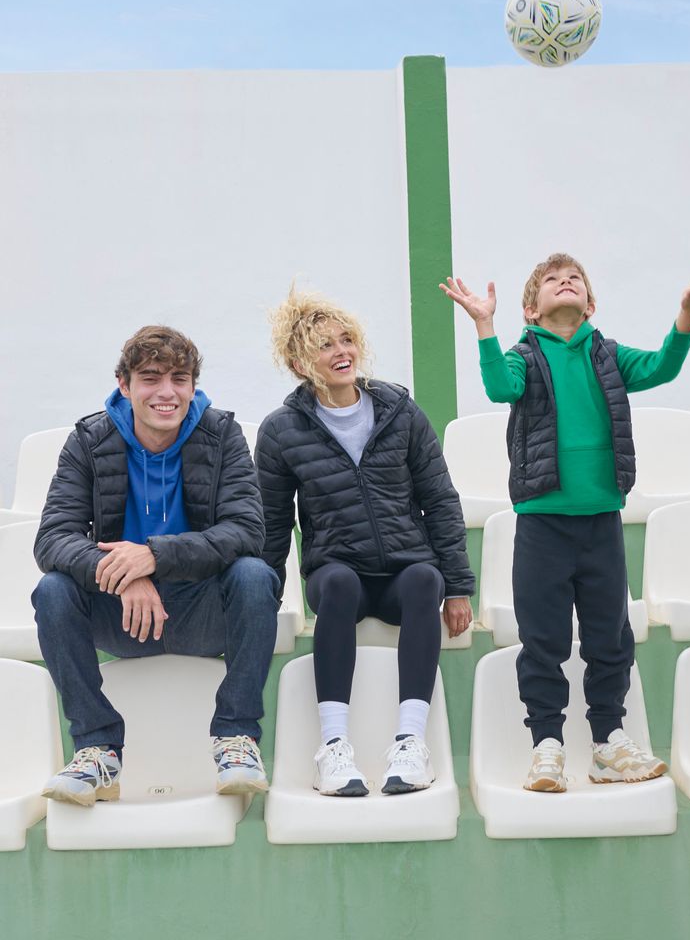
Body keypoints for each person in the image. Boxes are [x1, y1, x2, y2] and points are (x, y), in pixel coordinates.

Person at [441, 254, 690, 792]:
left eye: (574, 279)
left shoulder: (608, 356)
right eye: (552, 280)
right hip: (542, 525)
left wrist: (685, 315)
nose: (565, 282)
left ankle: (608, 742)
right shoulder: (524, 357)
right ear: (531, 309)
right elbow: (500, 387)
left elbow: (662, 367)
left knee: (610, 637)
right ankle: (546, 743)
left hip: (601, 525)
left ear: (590, 304)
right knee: (542, 640)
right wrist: (484, 325)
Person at [32, 325, 280, 806]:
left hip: (201, 612)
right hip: (124, 616)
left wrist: (154, 557)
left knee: (255, 575)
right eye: (150, 378)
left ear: (193, 386)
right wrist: (127, 574)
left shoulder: (221, 435)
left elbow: (247, 530)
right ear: (124, 385)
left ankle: (236, 737)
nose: (167, 392)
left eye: (179, 379)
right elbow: (53, 538)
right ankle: (97, 750)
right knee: (53, 589)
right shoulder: (89, 440)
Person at [255, 289, 474, 797]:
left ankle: (411, 743)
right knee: (338, 584)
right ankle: (334, 748)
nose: (341, 352)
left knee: (425, 580)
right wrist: (263, 601)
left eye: (346, 340)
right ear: (299, 364)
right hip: (337, 574)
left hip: (402, 572)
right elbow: (272, 524)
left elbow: (440, 499)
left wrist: (459, 586)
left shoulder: (400, 412)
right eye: (325, 346)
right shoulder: (281, 431)